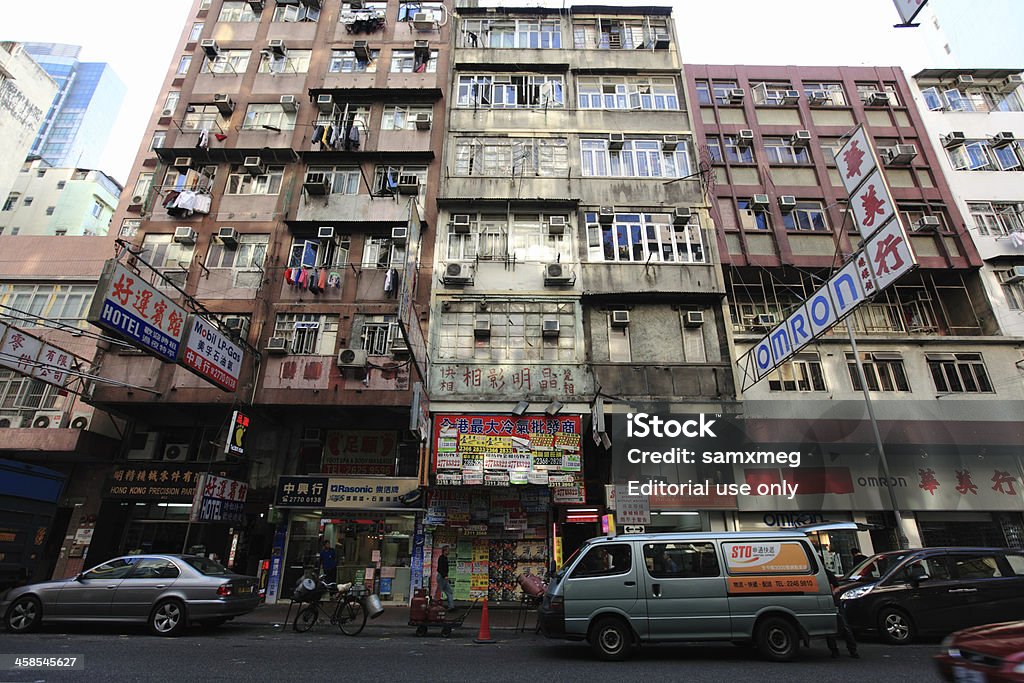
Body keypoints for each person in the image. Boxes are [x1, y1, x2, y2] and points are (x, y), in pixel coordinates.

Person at [825, 568, 859, 659]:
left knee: (842, 626)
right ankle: (836, 650)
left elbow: (837, 587)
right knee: (832, 626)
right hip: (827, 602)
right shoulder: (823, 573)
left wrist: (832, 593)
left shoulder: (827, 573)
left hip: (833, 602)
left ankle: (851, 650)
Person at [437, 545, 455, 610]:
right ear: (444, 551)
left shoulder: (445, 558)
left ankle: (451, 607)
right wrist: (445, 576)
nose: (449, 551)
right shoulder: (441, 558)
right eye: (448, 550)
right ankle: (435, 606)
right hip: (442, 577)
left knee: (449, 591)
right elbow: (440, 568)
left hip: (444, 577)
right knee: (439, 591)